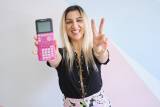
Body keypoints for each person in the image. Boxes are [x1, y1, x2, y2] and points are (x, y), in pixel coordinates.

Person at [34, 5, 111, 107]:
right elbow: (55, 59)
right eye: (69, 22)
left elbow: (103, 58)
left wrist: (100, 51)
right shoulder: (60, 53)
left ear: (85, 23)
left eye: (79, 20)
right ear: (64, 26)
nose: (74, 26)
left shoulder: (94, 49)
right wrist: (51, 53)